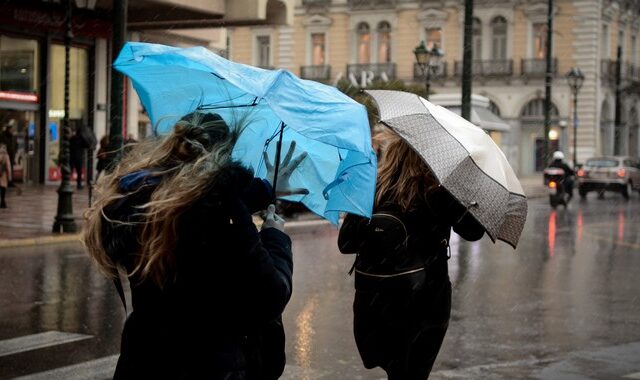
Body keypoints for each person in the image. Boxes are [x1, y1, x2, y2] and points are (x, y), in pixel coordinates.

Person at [83, 112, 305, 379]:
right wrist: (275, 238)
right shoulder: (221, 209)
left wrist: (266, 188)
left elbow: (194, 204)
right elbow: (270, 297)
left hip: (145, 360)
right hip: (207, 364)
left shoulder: (142, 197)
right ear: (224, 152)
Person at [338, 128, 485, 380]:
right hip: (423, 303)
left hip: (375, 301)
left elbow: (346, 242)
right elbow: (474, 231)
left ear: (392, 152)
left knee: (395, 371)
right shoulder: (436, 191)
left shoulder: (373, 189)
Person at [0, 122, 17, 187]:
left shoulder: (12, 136)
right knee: (3, 169)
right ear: (8, 129)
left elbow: (15, 144)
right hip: (4, 155)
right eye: (11, 129)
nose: (12, 130)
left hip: (11, 155)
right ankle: (4, 182)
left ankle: (10, 181)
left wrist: (14, 151)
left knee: (10, 169)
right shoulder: (2, 136)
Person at [0, 144, 11, 208]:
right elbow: (8, 167)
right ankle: (2, 201)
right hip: (3, 174)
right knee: (3, 187)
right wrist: (9, 177)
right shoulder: (6, 156)